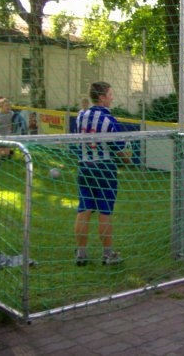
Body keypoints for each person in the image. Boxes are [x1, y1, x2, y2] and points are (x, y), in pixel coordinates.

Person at [74, 81, 129, 266]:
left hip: (84, 167)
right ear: (102, 97)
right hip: (104, 169)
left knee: (84, 209)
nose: (112, 98)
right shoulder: (109, 121)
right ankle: (107, 255)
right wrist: (127, 159)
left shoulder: (81, 116)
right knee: (105, 212)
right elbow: (120, 149)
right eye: (110, 94)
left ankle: (81, 254)